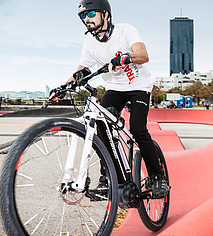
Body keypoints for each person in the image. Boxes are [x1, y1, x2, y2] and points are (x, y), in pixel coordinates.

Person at [55, 0, 168, 197]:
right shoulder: (90, 43)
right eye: (83, 16)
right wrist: (64, 87)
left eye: (91, 14)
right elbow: (80, 70)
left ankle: (157, 176)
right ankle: (109, 176)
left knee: (138, 130)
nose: (86, 19)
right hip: (114, 88)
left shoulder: (125, 30)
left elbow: (142, 54)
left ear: (105, 14)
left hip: (139, 86)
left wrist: (127, 57)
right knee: (100, 127)